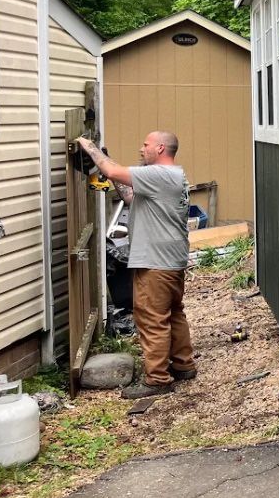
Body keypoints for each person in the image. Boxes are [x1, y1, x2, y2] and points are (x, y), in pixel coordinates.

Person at [76, 131, 197, 398]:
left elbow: (112, 170)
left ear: (160, 148)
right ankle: (183, 364)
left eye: (146, 144)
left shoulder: (160, 175)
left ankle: (157, 379)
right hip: (170, 259)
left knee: (151, 318)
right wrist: (107, 165)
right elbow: (130, 195)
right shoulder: (172, 176)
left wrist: (90, 148)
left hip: (155, 260)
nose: (141, 148)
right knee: (173, 312)